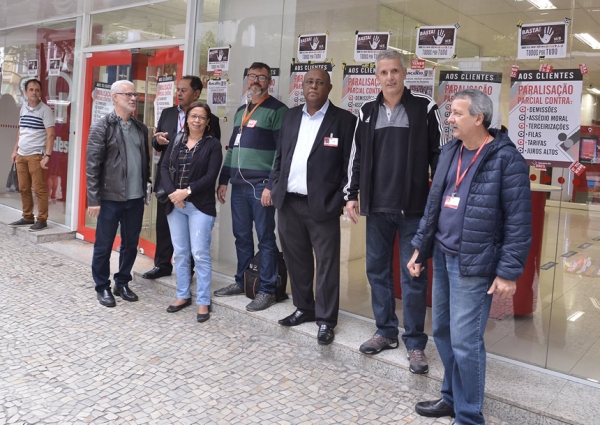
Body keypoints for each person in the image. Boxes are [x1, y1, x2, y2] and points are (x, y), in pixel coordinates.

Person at [408, 89, 532, 424]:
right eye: (450, 113)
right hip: (445, 257)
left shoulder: (507, 160)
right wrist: (420, 248)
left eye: (457, 113)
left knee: (465, 342)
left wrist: (508, 272)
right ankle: (451, 398)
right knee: (445, 335)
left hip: (474, 264)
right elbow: (435, 204)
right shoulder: (451, 150)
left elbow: (520, 223)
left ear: (479, 118)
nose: (449, 120)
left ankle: (469, 415)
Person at [344, 49, 442, 374]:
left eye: (395, 71)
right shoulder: (367, 111)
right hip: (378, 207)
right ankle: (385, 332)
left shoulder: (424, 108)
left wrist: (437, 201)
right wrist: (351, 194)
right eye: (384, 72)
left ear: (404, 73)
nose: (390, 77)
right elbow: (355, 158)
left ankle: (414, 343)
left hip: (414, 209)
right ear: (377, 76)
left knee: (413, 276)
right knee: (376, 272)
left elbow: (438, 157)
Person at [271, 68, 356, 345]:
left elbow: (349, 164)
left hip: (322, 205)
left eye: (320, 83)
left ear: (329, 88)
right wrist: (275, 186)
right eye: (309, 82)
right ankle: (304, 308)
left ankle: (326, 320)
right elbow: (280, 157)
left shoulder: (344, 121)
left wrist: (342, 198)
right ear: (302, 86)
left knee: (327, 264)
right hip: (289, 203)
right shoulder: (291, 116)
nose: (313, 86)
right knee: (297, 261)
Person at [214, 62, 288, 312]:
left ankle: (267, 289)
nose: (256, 81)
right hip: (238, 186)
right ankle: (243, 281)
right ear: (247, 79)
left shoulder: (277, 110)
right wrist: (224, 180)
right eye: (252, 77)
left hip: (261, 187)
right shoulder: (240, 111)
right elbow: (232, 149)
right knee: (242, 237)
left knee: (266, 239)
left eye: (262, 78)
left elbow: (282, 152)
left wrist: (271, 185)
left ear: (270, 82)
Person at [143, 76, 221, 280]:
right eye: (178, 89)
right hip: (168, 181)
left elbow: (211, 152)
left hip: (194, 184)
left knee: (193, 231)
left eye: (184, 90)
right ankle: (162, 265)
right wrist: (157, 140)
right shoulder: (168, 113)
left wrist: (188, 190)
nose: (179, 93)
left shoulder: (211, 120)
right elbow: (157, 143)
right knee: (164, 224)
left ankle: (189, 270)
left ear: (196, 93)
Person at [86, 80, 151, 308]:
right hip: (110, 198)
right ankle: (102, 286)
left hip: (135, 198)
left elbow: (144, 162)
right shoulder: (101, 127)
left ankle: (122, 282)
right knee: (103, 245)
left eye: (135, 95)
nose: (133, 98)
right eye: (128, 95)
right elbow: (92, 166)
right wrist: (93, 199)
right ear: (115, 97)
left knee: (131, 244)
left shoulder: (140, 128)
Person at [160, 101, 222, 323]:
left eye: (201, 117)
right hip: (175, 205)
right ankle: (182, 295)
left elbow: (210, 176)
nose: (197, 120)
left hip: (200, 207)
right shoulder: (177, 140)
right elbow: (164, 167)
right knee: (181, 253)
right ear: (187, 119)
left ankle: (203, 300)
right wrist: (173, 194)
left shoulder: (212, 145)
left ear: (207, 122)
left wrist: (185, 192)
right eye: (193, 116)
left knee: (200, 254)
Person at [9, 78, 55, 232]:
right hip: (21, 155)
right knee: (23, 188)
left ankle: (42, 219)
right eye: (31, 90)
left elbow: (51, 134)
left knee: (39, 189)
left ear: (41, 92)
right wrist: (15, 150)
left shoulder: (46, 111)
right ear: (26, 92)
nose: (34, 93)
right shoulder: (23, 108)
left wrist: (47, 155)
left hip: (36, 155)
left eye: (37, 90)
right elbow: (21, 131)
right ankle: (27, 216)